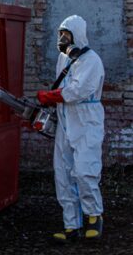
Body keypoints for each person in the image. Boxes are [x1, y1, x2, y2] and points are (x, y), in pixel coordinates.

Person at [36, 15, 105, 243]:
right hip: (66, 120)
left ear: (77, 35)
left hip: (86, 121)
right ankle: (71, 226)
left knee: (85, 171)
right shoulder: (63, 59)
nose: (62, 39)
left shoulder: (92, 60)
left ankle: (94, 217)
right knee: (63, 173)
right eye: (61, 35)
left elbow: (77, 91)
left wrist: (50, 96)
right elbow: (62, 86)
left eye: (66, 35)